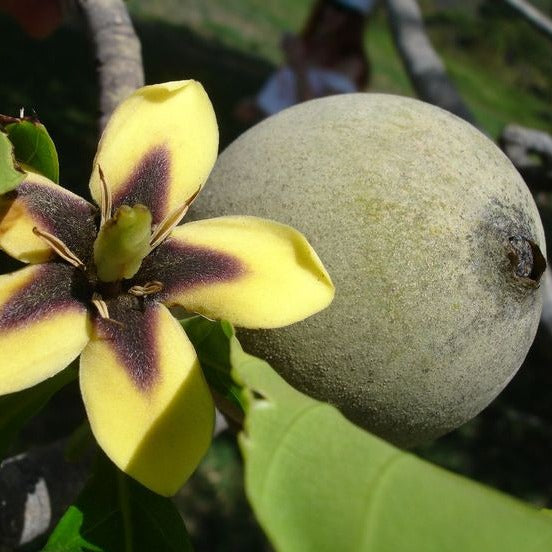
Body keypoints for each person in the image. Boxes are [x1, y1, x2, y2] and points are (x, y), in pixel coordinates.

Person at [235, 0, 377, 124]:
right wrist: (257, 104)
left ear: (353, 20)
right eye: (327, 4)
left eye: (340, 10)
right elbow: (284, 91)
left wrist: (299, 65)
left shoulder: (352, 64)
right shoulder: (314, 42)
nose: (329, 12)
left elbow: (315, 116)